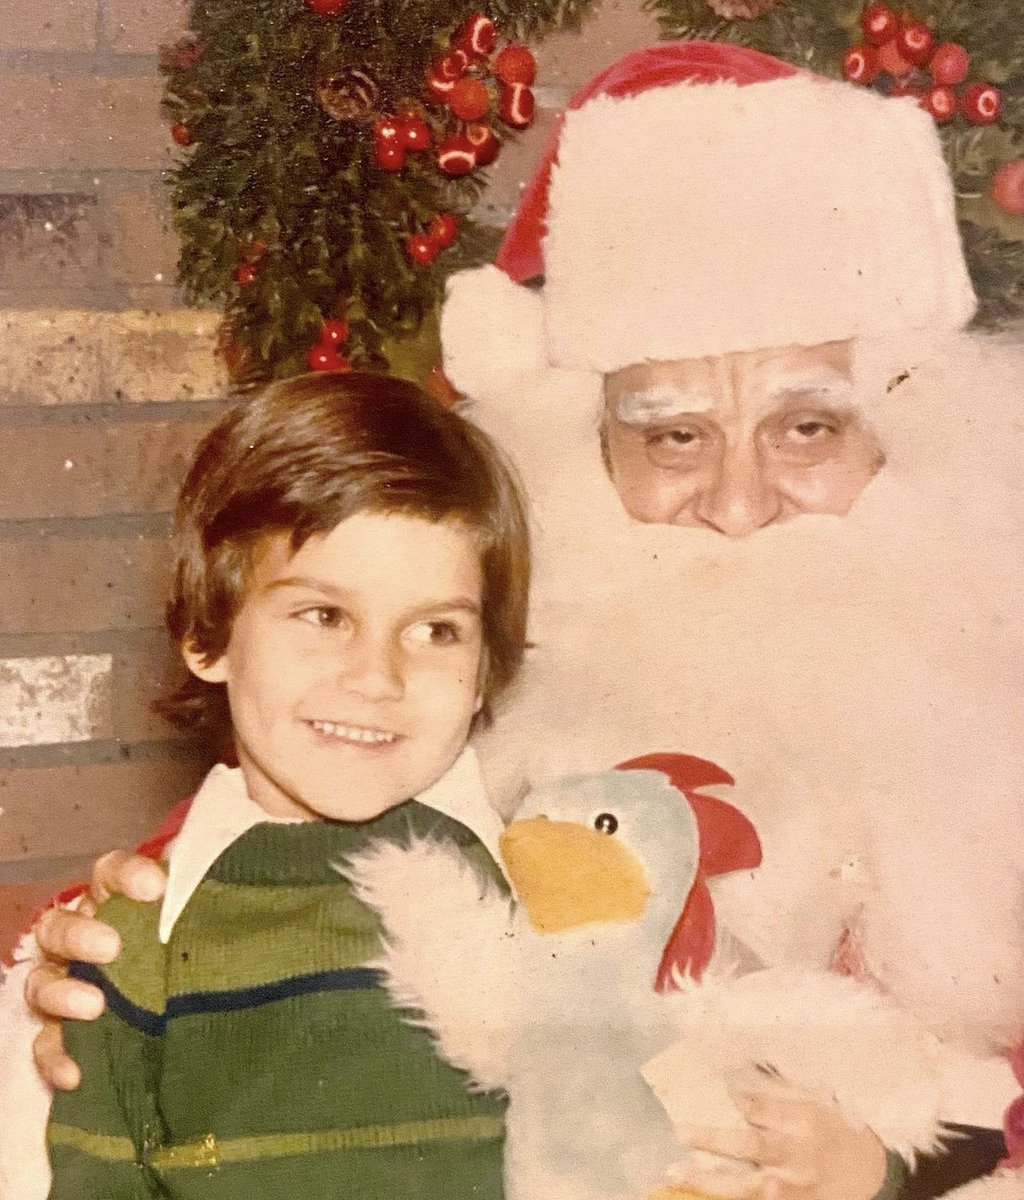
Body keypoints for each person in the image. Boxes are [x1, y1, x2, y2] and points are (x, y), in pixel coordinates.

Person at [19, 40, 1024, 1200]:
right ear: (574, 453)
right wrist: (91, 967)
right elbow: (254, 888)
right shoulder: (466, 717)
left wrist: (899, 1174)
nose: (741, 509)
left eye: (808, 429)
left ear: (922, 431)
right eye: (673, 436)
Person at [0, 371, 531, 1199]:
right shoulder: (142, 930)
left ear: (485, 666)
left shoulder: (541, 899)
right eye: (324, 616)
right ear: (208, 634)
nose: (379, 677)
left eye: (436, 630)